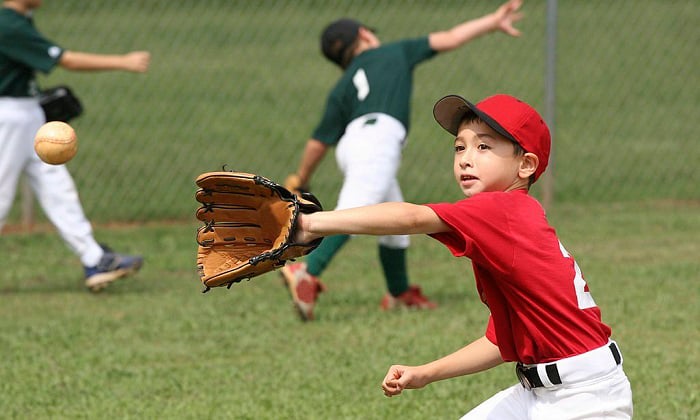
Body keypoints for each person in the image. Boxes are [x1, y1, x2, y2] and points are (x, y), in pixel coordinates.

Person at [291, 93, 633, 418]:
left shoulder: (503, 209)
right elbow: (501, 342)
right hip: (545, 392)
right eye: (460, 147)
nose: (466, 158)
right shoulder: (508, 219)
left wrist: (312, 224)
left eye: (484, 146)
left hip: (584, 402)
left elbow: (411, 218)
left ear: (526, 164)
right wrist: (426, 373)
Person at [281, 0, 525, 321]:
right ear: (365, 35)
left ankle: (398, 293)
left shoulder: (342, 86)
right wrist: (492, 22)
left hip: (352, 145)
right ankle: (307, 270)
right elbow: (450, 37)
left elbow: (318, 142)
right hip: (379, 141)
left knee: (393, 225)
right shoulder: (394, 51)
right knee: (357, 210)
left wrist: (302, 177)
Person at [0, 0, 149, 291]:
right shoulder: (8, 24)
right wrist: (123, 62)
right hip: (9, 118)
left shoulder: (20, 20)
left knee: (58, 187)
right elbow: (66, 60)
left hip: (27, 115)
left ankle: (95, 259)